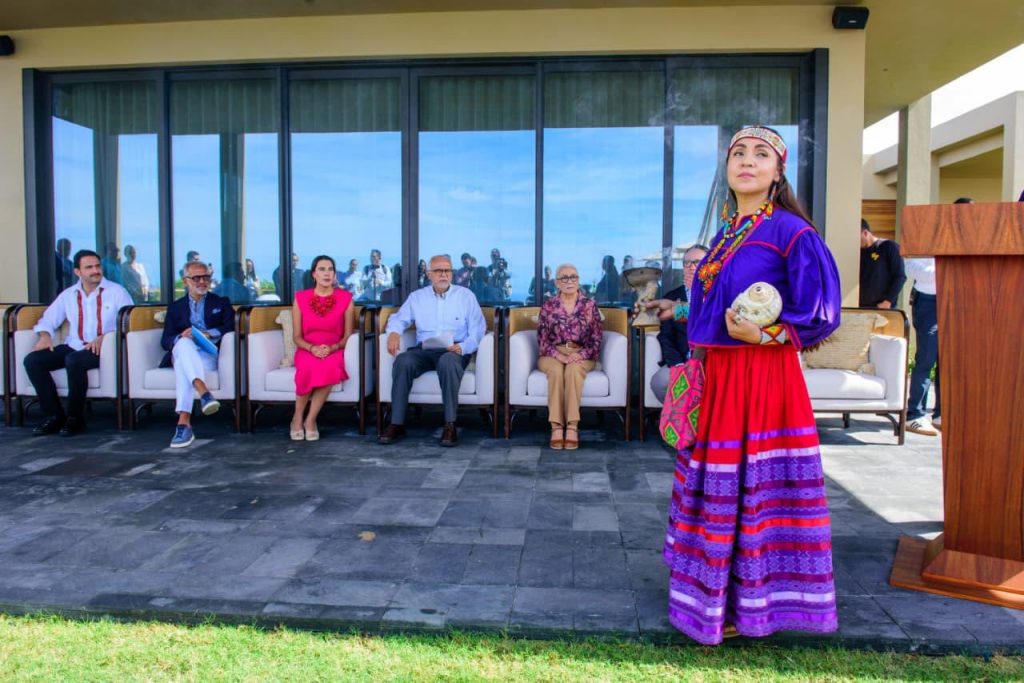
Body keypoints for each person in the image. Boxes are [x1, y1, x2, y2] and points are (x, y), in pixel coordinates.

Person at [647, 125, 841, 645]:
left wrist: (765, 334)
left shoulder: (791, 232)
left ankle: (750, 603)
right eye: (738, 153)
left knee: (750, 487)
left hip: (761, 378)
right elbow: (718, 307)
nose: (747, 161)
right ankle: (716, 597)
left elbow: (822, 312)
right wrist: (679, 309)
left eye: (760, 154)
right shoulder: (726, 233)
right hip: (719, 376)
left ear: (778, 172)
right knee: (721, 484)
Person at [379, 254, 486, 447]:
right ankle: (396, 423)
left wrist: (463, 347)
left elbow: (478, 329)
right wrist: (394, 333)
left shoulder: (465, 296)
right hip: (425, 350)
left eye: (447, 270)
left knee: (447, 361)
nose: (444, 274)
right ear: (429, 274)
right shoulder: (417, 297)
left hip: (453, 350)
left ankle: (450, 424)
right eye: (438, 271)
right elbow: (398, 319)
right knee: (403, 361)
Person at [24, 249, 133, 436]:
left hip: (103, 349)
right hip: (74, 345)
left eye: (97, 266)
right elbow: (47, 320)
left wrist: (106, 336)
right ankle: (54, 416)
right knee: (33, 360)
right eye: (89, 267)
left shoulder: (117, 292)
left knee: (74, 360)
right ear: (77, 272)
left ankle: (75, 418)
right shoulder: (68, 295)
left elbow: (129, 322)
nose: (95, 271)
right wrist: (45, 336)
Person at [160, 261, 234, 448]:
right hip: (184, 350)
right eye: (196, 278)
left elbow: (230, 326)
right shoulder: (176, 307)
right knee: (184, 344)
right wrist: (181, 336)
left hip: (208, 353)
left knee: (183, 367)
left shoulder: (221, 302)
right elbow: (165, 340)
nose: (202, 281)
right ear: (185, 281)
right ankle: (202, 393)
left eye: (206, 277)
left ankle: (184, 423)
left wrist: (207, 334)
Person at [537, 263, 603, 450]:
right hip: (552, 353)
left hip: (582, 353)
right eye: (564, 278)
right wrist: (560, 356)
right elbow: (542, 340)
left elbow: (597, 339)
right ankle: (556, 426)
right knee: (556, 371)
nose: (569, 281)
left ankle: (572, 426)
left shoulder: (589, 305)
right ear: (557, 283)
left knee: (573, 369)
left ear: (578, 280)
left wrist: (580, 354)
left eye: (573, 277)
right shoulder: (549, 306)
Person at [290, 255, 355, 441]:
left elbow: (348, 335)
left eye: (330, 269)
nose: (327, 273)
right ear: (314, 274)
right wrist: (312, 348)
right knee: (308, 366)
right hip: (307, 348)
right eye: (322, 269)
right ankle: (296, 418)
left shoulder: (346, 298)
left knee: (329, 365)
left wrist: (333, 348)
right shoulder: (300, 298)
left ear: (335, 274)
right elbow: (296, 337)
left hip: (334, 348)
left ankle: (310, 420)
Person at [649, 244, 707, 402]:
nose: (691, 267)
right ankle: (682, 415)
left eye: (697, 262)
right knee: (659, 383)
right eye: (686, 263)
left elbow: (710, 322)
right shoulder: (672, 296)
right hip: (683, 359)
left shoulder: (717, 294)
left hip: (712, 361)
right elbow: (666, 336)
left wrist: (699, 292)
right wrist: (678, 364)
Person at [859, 218, 905, 309]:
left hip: (882, 307)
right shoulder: (857, 252)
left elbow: (900, 276)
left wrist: (888, 301)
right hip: (860, 307)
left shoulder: (888, 246)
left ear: (865, 233)